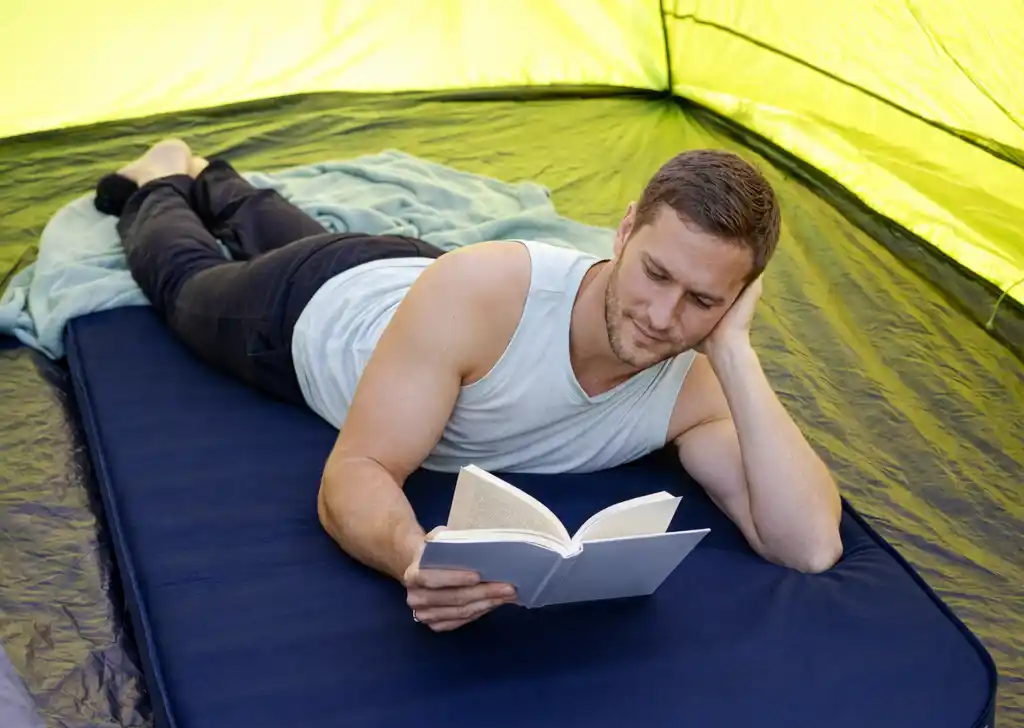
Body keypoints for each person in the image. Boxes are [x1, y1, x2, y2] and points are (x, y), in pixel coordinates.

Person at [97, 138, 843, 632]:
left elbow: (808, 546)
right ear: (622, 232)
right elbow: (357, 472)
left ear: (739, 300)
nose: (661, 317)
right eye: (654, 273)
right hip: (313, 309)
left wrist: (736, 353)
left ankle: (217, 178)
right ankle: (166, 177)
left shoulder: (697, 382)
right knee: (187, 285)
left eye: (704, 302)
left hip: (411, 277)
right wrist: (413, 556)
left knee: (284, 220)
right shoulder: (484, 293)